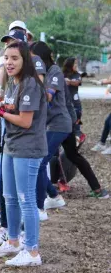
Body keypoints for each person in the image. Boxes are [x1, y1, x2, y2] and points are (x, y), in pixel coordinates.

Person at [0, 40, 47, 266]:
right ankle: (13, 241)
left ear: (25, 60)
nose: (9, 63)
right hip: (11, 145)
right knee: (9, 197)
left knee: (26, 199)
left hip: (28, 148)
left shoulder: (31, 83)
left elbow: (25, 121)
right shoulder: (13, 83)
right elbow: (9, 105)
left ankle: (32, 252)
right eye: (6, 58)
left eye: (15, 58)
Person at [45, 77, 109, 209]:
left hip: (59, 125)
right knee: (72, 155)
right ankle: (97, 189)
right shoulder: (54, 76)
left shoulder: (52, 75)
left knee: (41, 160)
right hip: (64, 123)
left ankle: (51, 195)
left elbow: (50, 100)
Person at [30, 41, 72, 221]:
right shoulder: (36, 74)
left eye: (32, 57)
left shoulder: (54, 71)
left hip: (59, 123)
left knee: (39, 162)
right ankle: (54, 196)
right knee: (38, 162)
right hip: (48, 124)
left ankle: (40, 207)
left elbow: (48, 96)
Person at [63, 57, 85, 144]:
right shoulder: (62, 74)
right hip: (65, 104)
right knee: (66, 126)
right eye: (75, 63)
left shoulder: (77, 74)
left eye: (77, 63)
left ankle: (77, 142)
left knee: (76, 126)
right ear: (70, 65)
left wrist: (69, 81)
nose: (76, 65)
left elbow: (77, 82)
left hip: (76, 105)